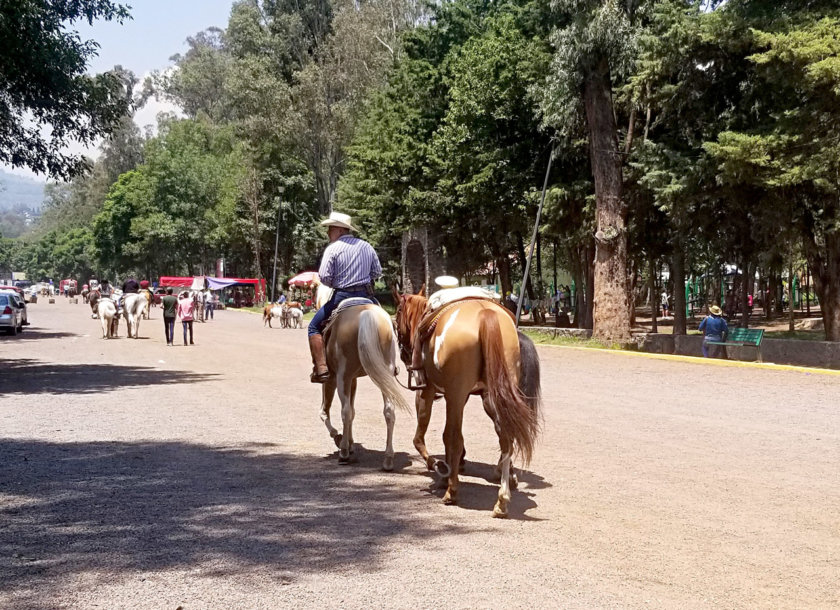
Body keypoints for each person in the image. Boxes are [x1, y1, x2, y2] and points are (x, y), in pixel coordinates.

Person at [307, 211, 381, 383]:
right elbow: (377, 271)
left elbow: (324, 276)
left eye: (330, 228)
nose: (328, 232)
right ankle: (389, 362)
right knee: (388, 323)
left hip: (342, 296)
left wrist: (337, 281)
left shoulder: (332, 249)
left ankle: (321, 367)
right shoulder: (367, 246)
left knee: (313, 327)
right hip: (366, 296)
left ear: (340, 230)